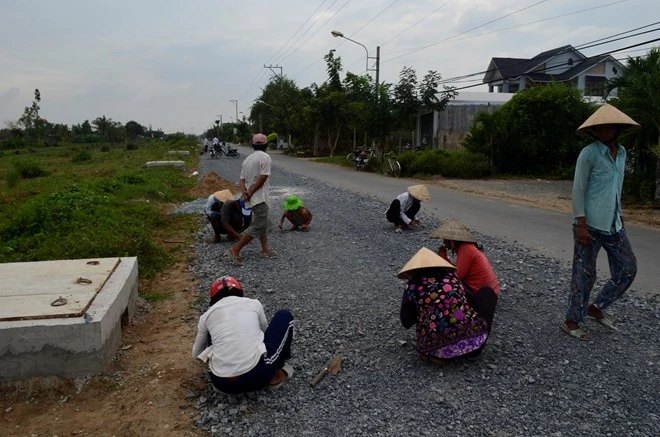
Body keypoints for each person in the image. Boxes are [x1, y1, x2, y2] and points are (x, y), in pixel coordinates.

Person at [561, 103, 640, 340]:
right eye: (600, 128)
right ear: (595, 131)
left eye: (609, 127)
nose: (605, 131)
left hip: (613, 224)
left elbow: (616, 188)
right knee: (584, 274)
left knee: (627, 269)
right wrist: (581, 225)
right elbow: (578, 190)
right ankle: (571, 320)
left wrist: (620, 214)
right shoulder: (589, 154)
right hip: (590, 226)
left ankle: (597, 307)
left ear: (617, 129)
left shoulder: (623, 153)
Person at [192, 276, 294, 394]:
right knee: (284, 315)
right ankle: (278, 370)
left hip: (220, 383)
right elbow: (265, 334)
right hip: (257, 378)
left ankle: (225, 372)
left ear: (214, 300)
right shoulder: (254, 303)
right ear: (240, 293)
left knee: (213, 331)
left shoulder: (206, 316)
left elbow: (196, 354)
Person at [398, 247, 497, 365]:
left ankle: (440, 353)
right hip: (474, 347)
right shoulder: (452, 277)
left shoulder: (412, 286)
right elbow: (470, 299)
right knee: (487, 292)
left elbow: (406, 322)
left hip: (435, 351)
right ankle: (471, 338)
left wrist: (425, 307)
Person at [225, 133, 276, 265]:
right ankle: (235, 249)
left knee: (263, 222)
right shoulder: (265, 157)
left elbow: (242, 179)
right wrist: (251, 192)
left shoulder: (247, 159)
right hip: (259, 198)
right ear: (266, 145)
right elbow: (263, 177)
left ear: (253, 145)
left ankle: (265, 250)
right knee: (258, 224)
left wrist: (245, 193)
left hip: (251, 198)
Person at [431, 219, 501, 297]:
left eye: (445, 239)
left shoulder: (466, 249)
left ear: (452, 240)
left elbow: (457, 276)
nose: (444, 242)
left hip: (482, 295)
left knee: (444, 281)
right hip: (490, 292)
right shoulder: (467, 247)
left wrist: (443, 257)